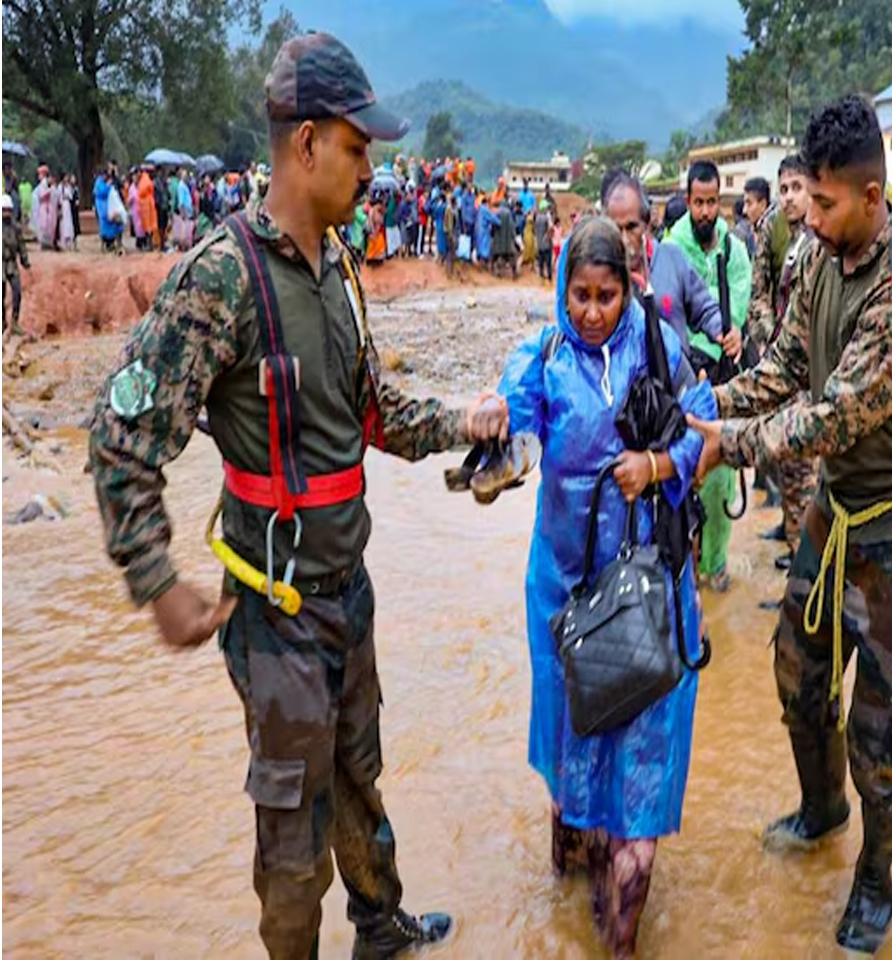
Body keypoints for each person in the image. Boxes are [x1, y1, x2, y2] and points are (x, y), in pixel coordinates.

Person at [88, 33, 508, 958]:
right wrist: (157, 582)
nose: (371, 170)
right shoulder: (223, 277)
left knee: (360, 772)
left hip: (344, 594)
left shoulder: (339, 268)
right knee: (291, 837)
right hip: (274, 614)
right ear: (308, 143)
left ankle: (382, 931)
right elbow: (121, 437)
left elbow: (372, 412)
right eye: (359, 149)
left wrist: (461, 422)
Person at [688, 95, 892, 955]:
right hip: (832, 512)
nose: (809, 212)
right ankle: (821, 807)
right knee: (798, 672)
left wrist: (726, 445)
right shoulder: (816, 262)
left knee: (884, 724)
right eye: (808, 198)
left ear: (873, 197)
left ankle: (874, 878)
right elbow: (786, 367)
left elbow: (829, 417)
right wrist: (701, 407)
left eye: (825, 202)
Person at [494, 216, 715, 959]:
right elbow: (514, 436)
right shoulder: (544, 356)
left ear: (629, 287)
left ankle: (619, 939)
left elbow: (705, 427)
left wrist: (656, 468)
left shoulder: (660, 347)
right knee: (574, 750)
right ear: (563, 291)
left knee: (643, 756)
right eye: (581, 295)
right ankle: (575, 865)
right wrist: (497, 460)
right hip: (563, 592)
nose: (593, 311)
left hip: (649, 593)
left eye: (607, 295)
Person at [664, 160, 752, 593]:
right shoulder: (673, 247)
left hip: (725, 376)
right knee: (680, 475)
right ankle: (684, 571)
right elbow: (671, 313)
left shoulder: (735, 251)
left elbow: (735, 306)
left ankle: (715, 568)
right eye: (698, 203)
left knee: (719, 477)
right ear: (686, 201)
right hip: (684, 378)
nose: (705, 211)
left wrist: (729, 336)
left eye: (712, 202)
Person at [750, 155, 818, 594]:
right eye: (784, 188)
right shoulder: (772, 231)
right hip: (778, 359)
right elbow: (759, 291)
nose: (790, 197)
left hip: (809, 373)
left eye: (797, 187)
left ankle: (803, 571)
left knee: (804, 466)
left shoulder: (823, 236)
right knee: (786, 461)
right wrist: (767, 339)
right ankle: (792, 537)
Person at [601, 169, 737, 379]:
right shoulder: (600, 275)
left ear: (646, 224)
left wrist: (725, 331)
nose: (624, 238)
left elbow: (704, 309)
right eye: (615, 229)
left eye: (631, 227)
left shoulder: (672, 258)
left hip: (675, 388)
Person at [3, 194, 31, 336]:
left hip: (11, 263)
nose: (5, 213)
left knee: (17, 292)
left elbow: (21, 245)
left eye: (8, 210)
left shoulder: (16, 228)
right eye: (3, 210)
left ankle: (15, 321)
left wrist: (25, 261)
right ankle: (2, 322)